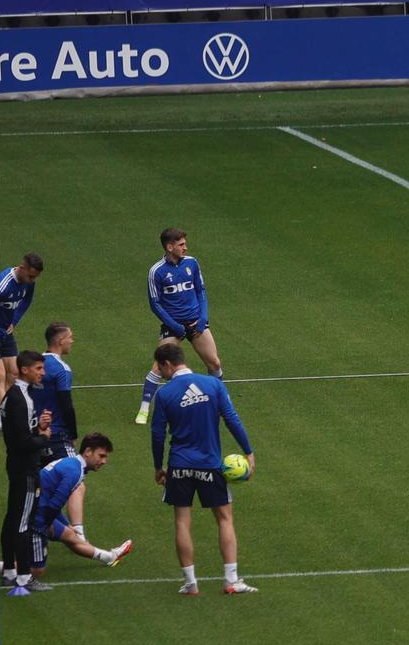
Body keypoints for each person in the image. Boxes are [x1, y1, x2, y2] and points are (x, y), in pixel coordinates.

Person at [149, 341, 257, 595]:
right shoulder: (213, 384)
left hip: (179, 466)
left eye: (159, 368)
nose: (159, 373)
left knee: (182, 522)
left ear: (167, 364)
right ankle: (231, 580)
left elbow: (157, 435)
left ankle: (191, 583)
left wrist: (158, 466)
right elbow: (231, 418)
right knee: (225, 519)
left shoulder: (164, 394)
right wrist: (248, 451)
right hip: (210, 465)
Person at [137, 228, 221, 426]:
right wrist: (174, 326)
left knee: (215, 363)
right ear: (169, 246)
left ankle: (218, 401)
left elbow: (201, 291)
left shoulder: (192, 263)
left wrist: (203, 318)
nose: (185, 247)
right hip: (173, 325)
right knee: (159, 366)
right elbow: (155, 304)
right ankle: (143, 409)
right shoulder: (156, 271)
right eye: (181, 244)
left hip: (196, 322)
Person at [30, 435, 133, 584]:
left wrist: (66, 525)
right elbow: (55, 504)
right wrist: (44, 528)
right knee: (35, 570)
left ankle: (110, 557)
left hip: (37, 507)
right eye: (101, 456)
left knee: (71, 536)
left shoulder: (72, 464)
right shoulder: (75, 471)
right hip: (36, 514)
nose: (104, 461)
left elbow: (51, 501)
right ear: (88, 451)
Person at [0, 350, 53, 595]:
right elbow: (23, 442)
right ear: (25, 370)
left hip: (16, 466)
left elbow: (20, 432)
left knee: (12, 519)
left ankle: (9, 571)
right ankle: (23, 577)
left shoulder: (15, 396)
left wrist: (37, 426)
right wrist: (43, 438)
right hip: (25, 468)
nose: (43, 373)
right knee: (22, 524)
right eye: (39, 369)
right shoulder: (20, 398)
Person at [0, 253, 44, 432]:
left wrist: (14, 321)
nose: (32, 280)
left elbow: (27, 300)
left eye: (35, 277)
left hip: (4, 332)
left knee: (13, 373)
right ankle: (11, 420)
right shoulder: (2, 284)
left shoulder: (28, 283)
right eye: (30, 276)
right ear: (22, 267)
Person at [33, 322, 78, 462]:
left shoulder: (34, 364)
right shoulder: (61, 369)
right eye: (70, 337)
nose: (72, 341)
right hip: (57, 434)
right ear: (60, 341)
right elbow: (66, 404)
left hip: (35, 432)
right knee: (75, 478)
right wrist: (73, 434)